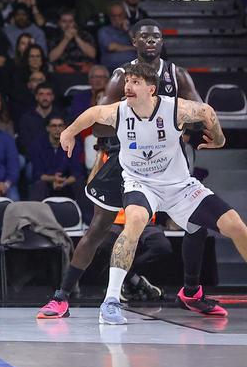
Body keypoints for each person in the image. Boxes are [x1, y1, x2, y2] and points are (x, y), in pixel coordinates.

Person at [37, 19, 218, 319]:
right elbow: (98, 128)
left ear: (162, 42)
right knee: (97, 229)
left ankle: (191, 291)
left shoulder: (177, 75)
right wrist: (133, 121)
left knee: (197, 223)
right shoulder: (122, 76)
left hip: (167, 160)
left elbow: (202, 115)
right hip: (127, 159)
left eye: (156, 37)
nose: (151, 41)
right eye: (145, 37)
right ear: (134, 41)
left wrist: (170, 119)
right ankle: (61, 297)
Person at [58, 62, 247, 325]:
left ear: (151, 89)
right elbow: (92, 114)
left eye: (135, 82)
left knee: (236, 225)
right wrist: (68, 132)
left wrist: (219, 138)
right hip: (141, 183)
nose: (128, 87)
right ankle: (111, 301)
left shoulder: (174, 109)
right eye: (127, 82)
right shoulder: (120, 111)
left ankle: (190, 292)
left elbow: (206, 110)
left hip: (180, 186)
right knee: (134, 221)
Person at [28, 115, 84, 201]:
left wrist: (64, 182)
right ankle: (35, 214)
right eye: (54, 126)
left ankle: (86, 214)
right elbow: (37, 173)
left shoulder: (73, 144)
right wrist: (53, 179)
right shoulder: (38, 145)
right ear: (48, 128)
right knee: (38, 185)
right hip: (47, 182)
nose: (57, 129)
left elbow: (77, 173)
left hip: (67, 182)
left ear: (65, 127)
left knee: (80, 185)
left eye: (60, 126)